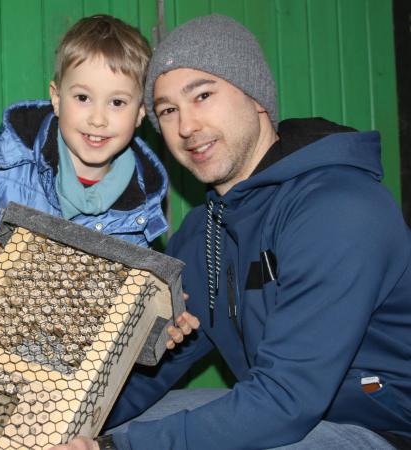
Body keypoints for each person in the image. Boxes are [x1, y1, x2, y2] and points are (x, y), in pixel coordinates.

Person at [54, 14, 411, 450]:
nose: (186, 127)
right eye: (168, 110)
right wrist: (64, 424)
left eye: (203, 95)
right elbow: (155, 367)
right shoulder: (207, 231)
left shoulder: (340, 207)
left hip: (381, 428)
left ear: (255, 96)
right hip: (287, 415)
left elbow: (287, 399)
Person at [0, 15, 197, 362]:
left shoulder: (138, 211)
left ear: (140, 114)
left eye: (117, 103)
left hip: (58, 380)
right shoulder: (5, 158)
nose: (98, 118)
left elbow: (113, 317)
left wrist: (158, 324)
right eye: (82, 97)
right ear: (57, 98)